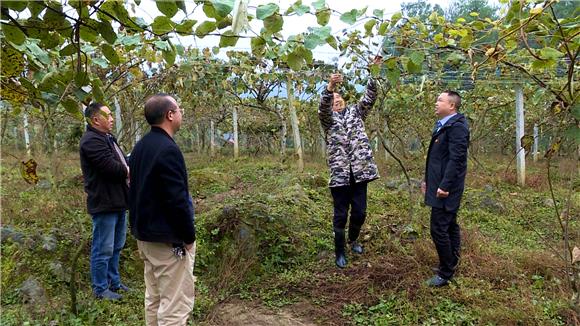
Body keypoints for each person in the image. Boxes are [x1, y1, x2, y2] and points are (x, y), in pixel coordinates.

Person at [129, 94, 196, 325]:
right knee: (175, 306)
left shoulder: (140, 147)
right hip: (167, 241)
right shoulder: (168, 150)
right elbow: (176, 200)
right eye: (179, 109)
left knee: (154, 298)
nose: (181, 114)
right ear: (169, 115)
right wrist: (188, 237)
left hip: (146, 237)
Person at [318, 56, 382, 268]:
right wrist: (330, 87)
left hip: (360, 171)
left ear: (344, 101)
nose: (336, 101)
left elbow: (370, 97)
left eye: (339, 99)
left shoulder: (356, 112)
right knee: (340, 214)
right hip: (340, 175)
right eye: (333, 100)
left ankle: (353, 240)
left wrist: (373, 73)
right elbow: (323, 108)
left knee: (360, 212)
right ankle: (339, 252)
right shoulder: (328, 121)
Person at [80, 102, 130, 300]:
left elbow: (121, 161)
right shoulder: (91, 141)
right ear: (95, 119)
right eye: (107, 115)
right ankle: (101, 289)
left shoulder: (107, 138)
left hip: (117, 200)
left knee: (117, 245)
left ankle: (113, 282)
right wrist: (128, 169)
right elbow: (111, 167)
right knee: (103, 248)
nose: (112, 118)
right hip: (104, 203)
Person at [421, 90, 470, 287]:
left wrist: (444, 186)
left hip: (446, 187)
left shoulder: (456, 127)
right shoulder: (445, 125)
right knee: (449, 225)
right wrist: (427, 181)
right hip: (439, 184)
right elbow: (437, 159)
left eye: (439, 100)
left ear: (451, 106)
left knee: (438, 228)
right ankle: (451, 262)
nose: (435, 102)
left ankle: (446, 273)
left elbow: (456, 159)